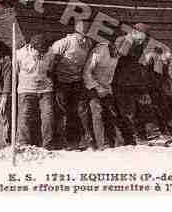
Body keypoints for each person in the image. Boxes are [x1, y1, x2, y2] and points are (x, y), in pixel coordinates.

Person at [51, 21, 95, 150]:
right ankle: (66, 141)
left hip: (77, 81)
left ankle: (87, 138)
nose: (86, 31)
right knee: (64, 111)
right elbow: (52, 62)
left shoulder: (89, 43)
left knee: (82, 110)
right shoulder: (64, 43)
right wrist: (54, 80)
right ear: (76, 30)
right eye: (83, 29)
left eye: (88, 28)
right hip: (62, 82)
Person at [83, 40, 129, 149]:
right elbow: (86, 73)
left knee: (112, 113)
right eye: (119, 52)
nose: (120, 55)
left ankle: (116, 142)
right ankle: (100, 144)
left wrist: (108, 89)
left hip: (106, 87)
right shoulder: (99, 51)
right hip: (91, 86)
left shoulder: (117, 55)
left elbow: (110, 74)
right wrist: (97, 88)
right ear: (114, 46)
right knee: (97, 113)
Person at [15, 34, 55, 150]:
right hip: (26, 89)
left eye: (44, 51)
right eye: (40, 52)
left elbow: (50, 69)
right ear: (31, 48)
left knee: (48, 116)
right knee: (24, 117)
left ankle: (48, 144)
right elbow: (16, 72)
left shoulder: (50, 52)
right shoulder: (19, 54)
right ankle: (23, 144)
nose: (42, 54)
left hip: (45, 89)